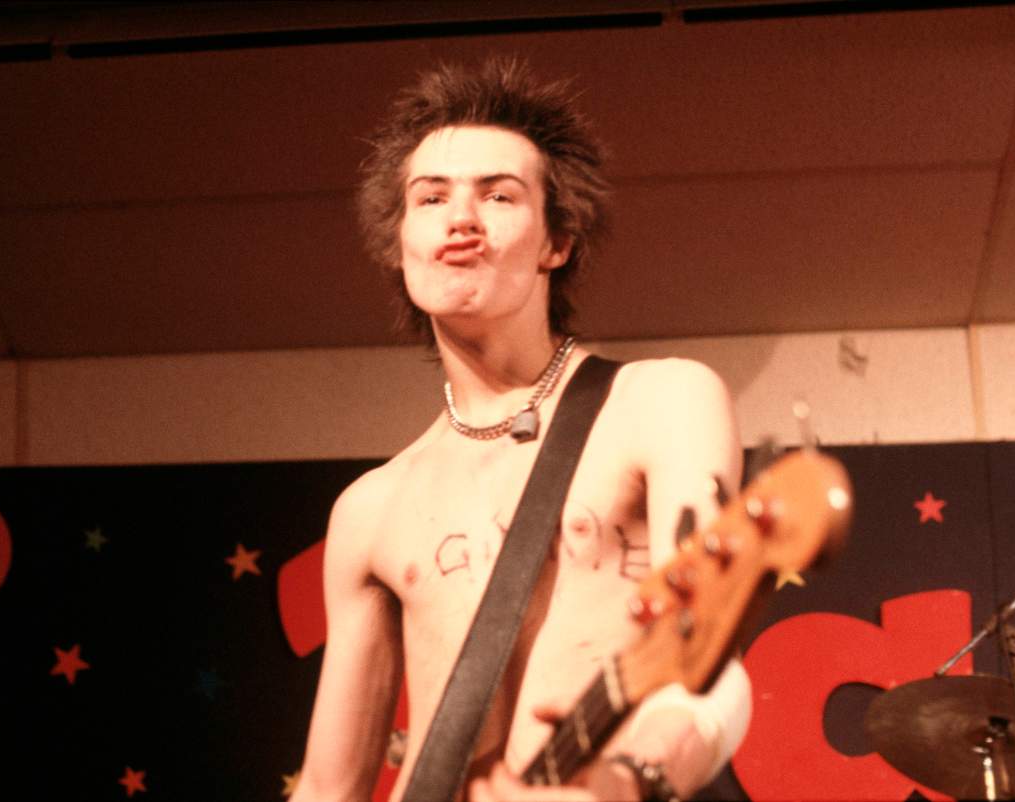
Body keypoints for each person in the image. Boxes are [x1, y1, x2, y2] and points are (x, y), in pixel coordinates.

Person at [290, 59, 751, 802]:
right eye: (430, 197)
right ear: (400, 245)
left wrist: (628, 780)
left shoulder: (663, 402)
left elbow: (709, 661)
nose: (461, 219)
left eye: (498, 194)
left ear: (556, 242)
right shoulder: (368, 509)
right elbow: (326, 786)